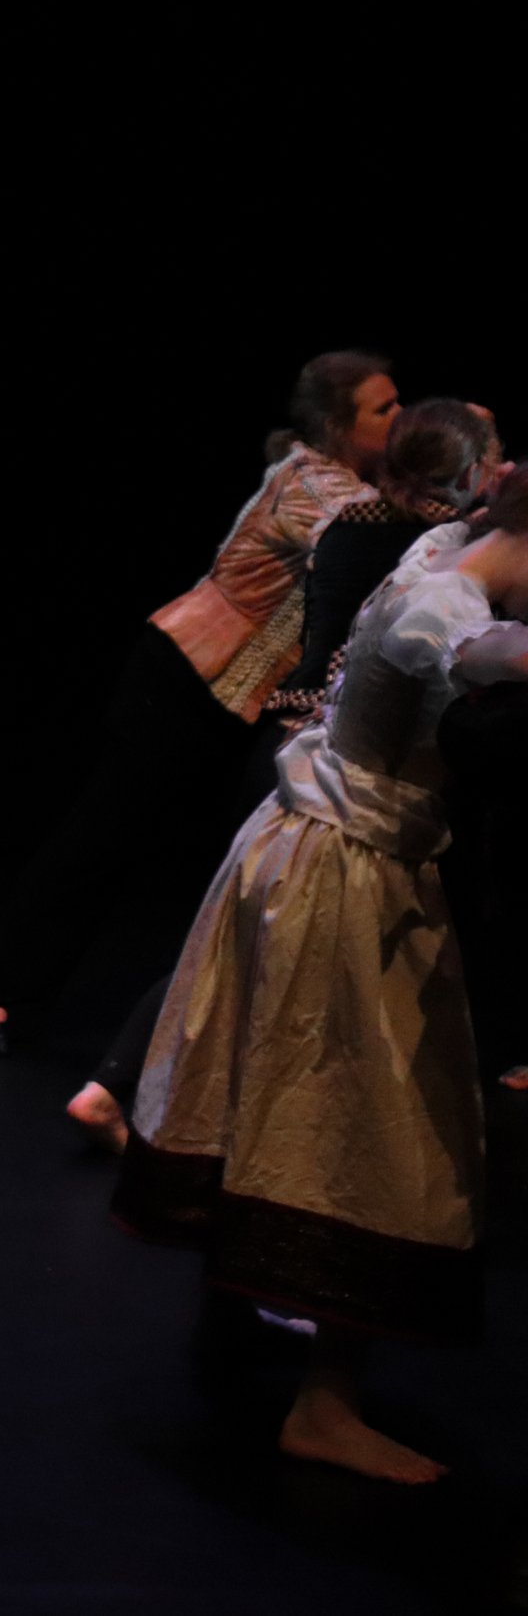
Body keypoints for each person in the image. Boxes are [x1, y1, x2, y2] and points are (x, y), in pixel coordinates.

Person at [113, 472, 528, 1484]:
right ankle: (326, 1406)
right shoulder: (447, 608)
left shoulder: (437, 550)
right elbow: (483, 657)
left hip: (298, 844)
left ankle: (233, 1322)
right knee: (368, 1123)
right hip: (350, 872)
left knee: (267, 1090)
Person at [68, 399, 501, 1148]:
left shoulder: (354, 520)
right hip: (341, 770)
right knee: (291, 951)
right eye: (491, 458)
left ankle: (115, 1085)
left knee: (237, 937)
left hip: (285, 746)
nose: (500, 471)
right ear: (466, 472)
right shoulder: (440, 548)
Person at [0, 350, 398, 1057]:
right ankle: (3, 989)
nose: (401, 417)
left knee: (239, 858)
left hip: (244, 698)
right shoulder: (311, 483)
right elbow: (372, 535)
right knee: (105, 837)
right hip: (182, 676)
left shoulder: (358, 483)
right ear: (337, 426)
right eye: (385, 408)